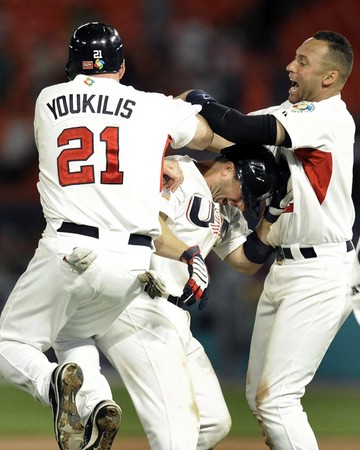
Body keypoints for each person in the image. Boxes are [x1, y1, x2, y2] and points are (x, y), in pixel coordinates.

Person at [0, 22, 216, 450]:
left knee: (10, 344)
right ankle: (97, 404)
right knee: (72, 332)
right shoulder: (150, 106)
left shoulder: (48, 99)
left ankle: (54, 387)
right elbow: (209, 134)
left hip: (70, 248)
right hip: (133, 260)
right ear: (120, 67)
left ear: (71, 65)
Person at [183, 30, 355, 449]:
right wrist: (179, 125)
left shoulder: (329, 117)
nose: (290, 66)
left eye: (303, 61)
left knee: (277, 402)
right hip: (286, 267)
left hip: (322, 269)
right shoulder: (292, 112)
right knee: (259, 401)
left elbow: (239, 126)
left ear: (330, 77)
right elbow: (226, 136)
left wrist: (199, 99)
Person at [54, 145, 287, 450]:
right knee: (178, 432)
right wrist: (190, 256)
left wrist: (273, 213)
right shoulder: (178, 172)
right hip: (139, 302)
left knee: (214, 422)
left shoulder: (225, 208)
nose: (242, 203)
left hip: (176, 316)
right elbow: (150, 225)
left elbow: (245, 261)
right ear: (229, 168)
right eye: (245, 191)